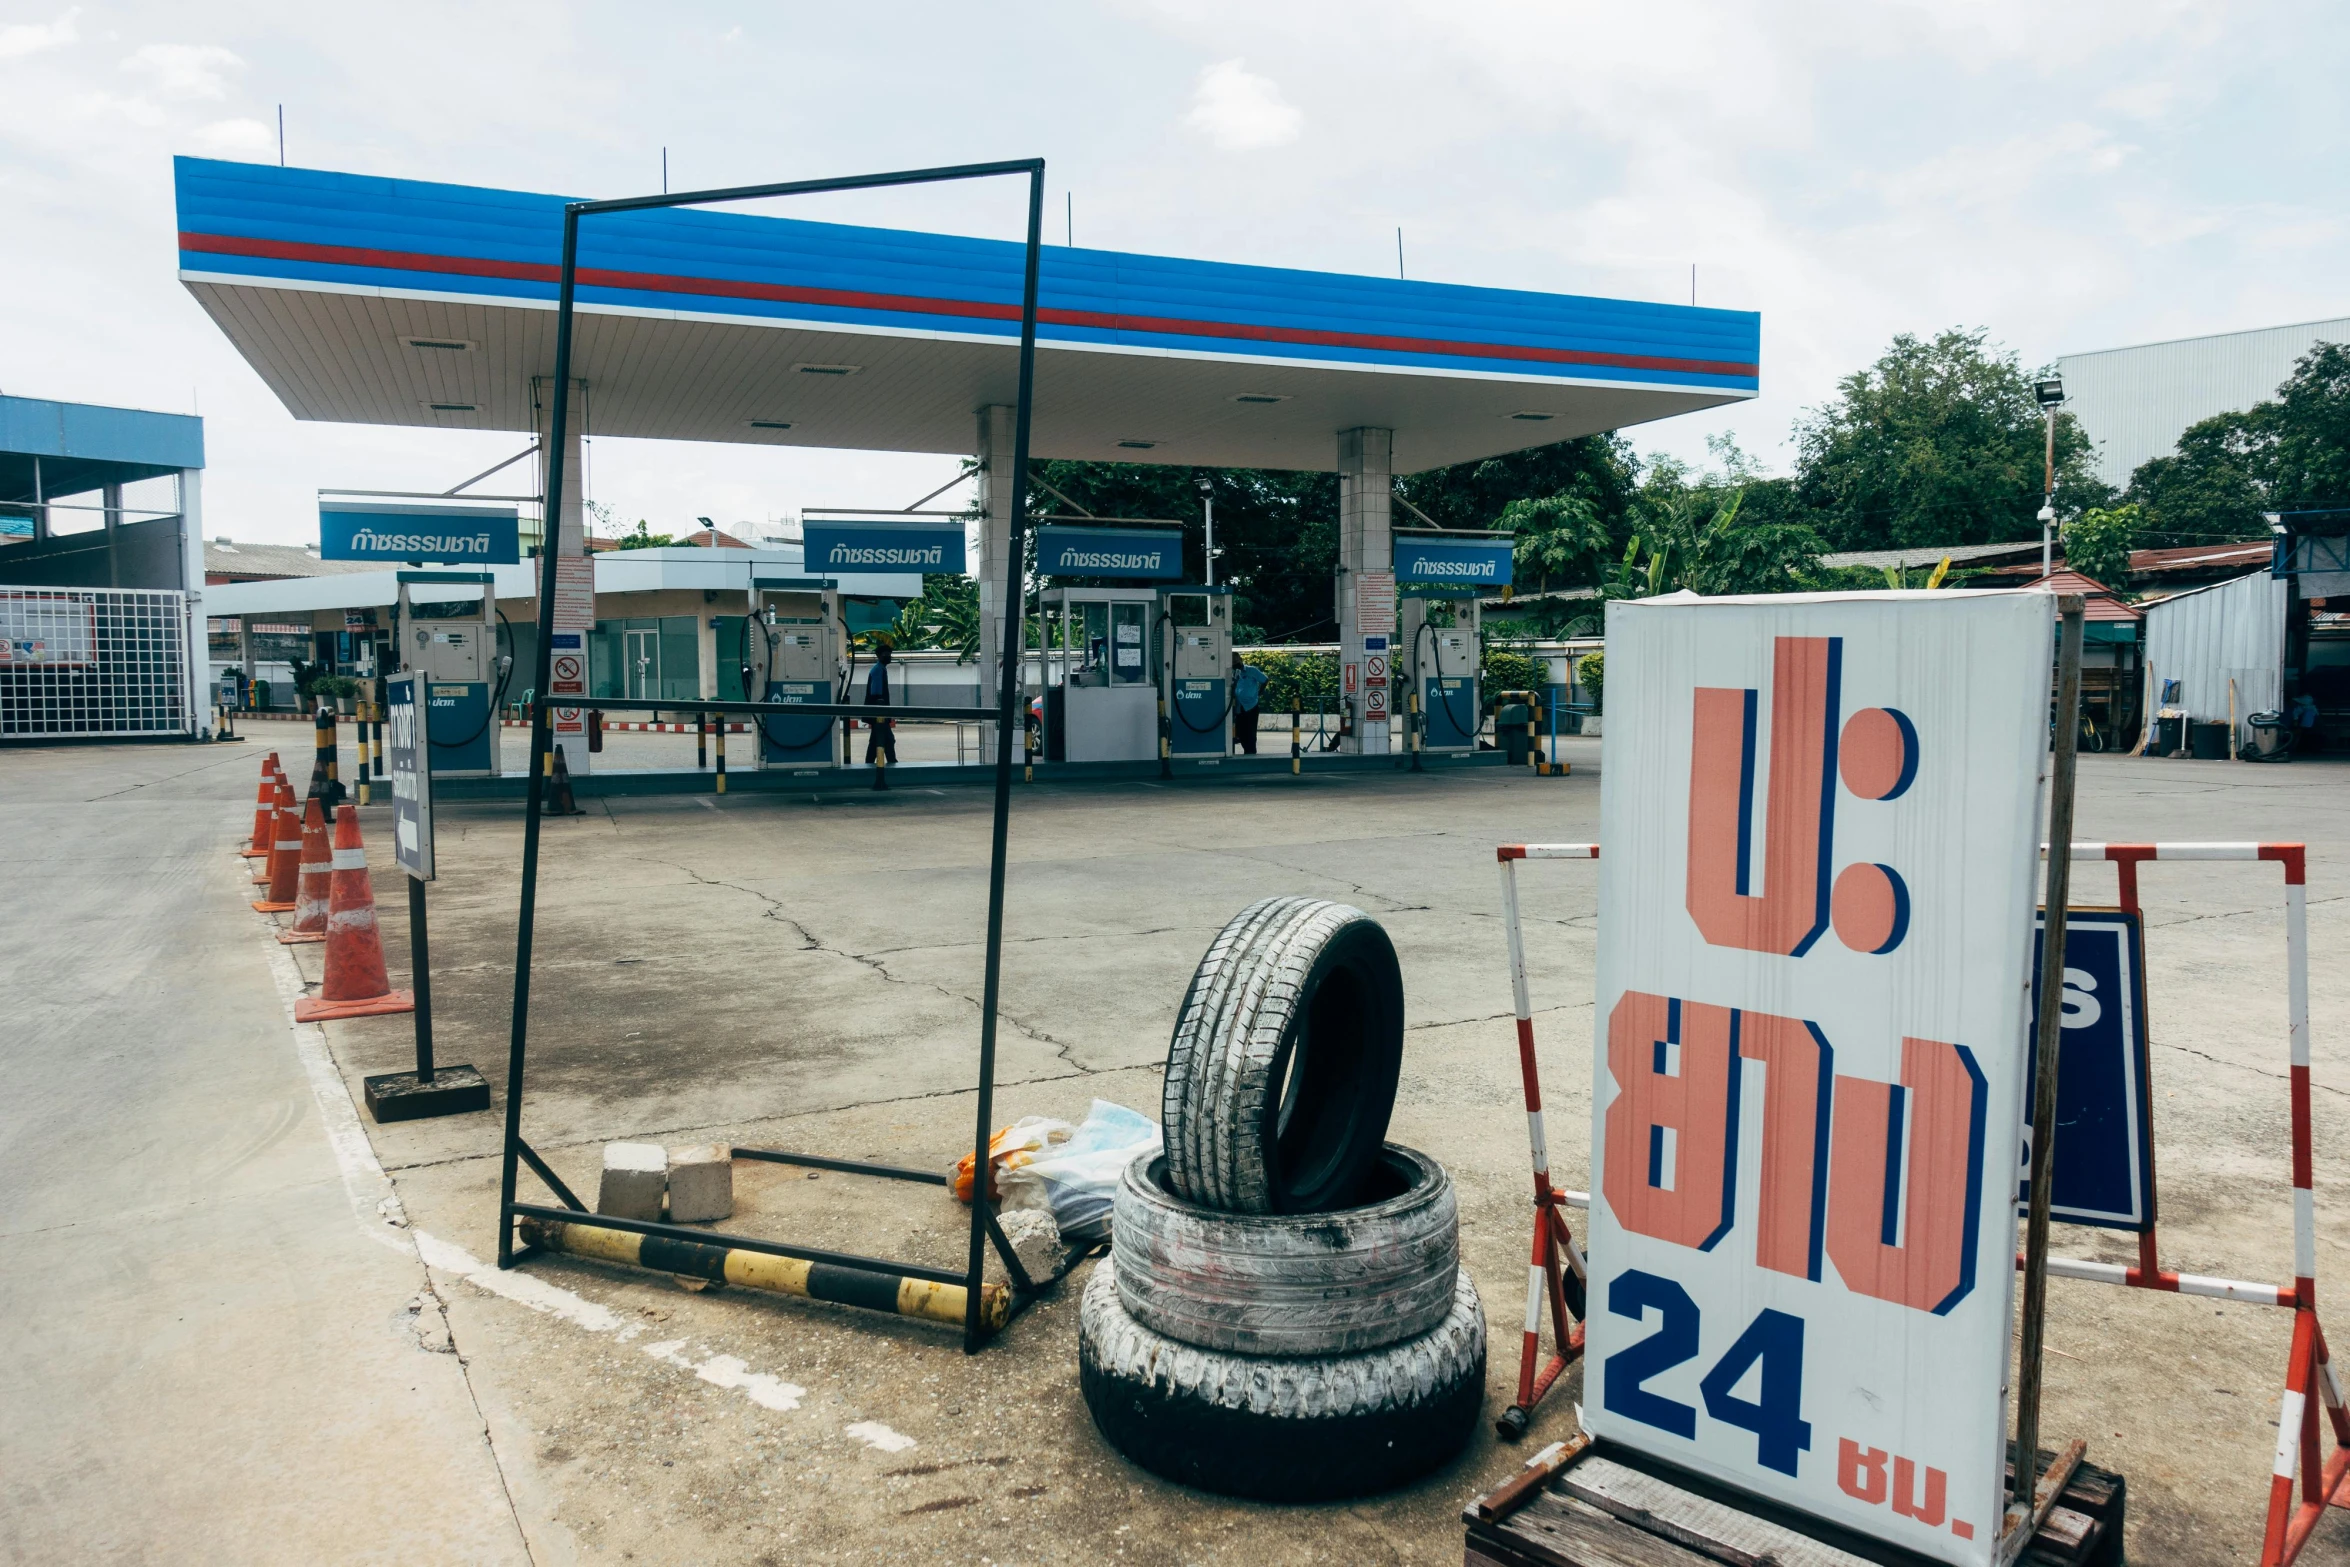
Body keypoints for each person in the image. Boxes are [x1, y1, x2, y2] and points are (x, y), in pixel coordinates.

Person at [863, 638, 898, 789]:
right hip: (879, 713)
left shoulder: (880, 669)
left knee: (875, 741)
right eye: (885, 654)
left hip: (879, 713)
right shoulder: (878, 670)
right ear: (879, 656)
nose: (888, 656)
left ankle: (868, 765)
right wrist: (882, 711)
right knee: (888, 739)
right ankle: (892, 765)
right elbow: (877, 693)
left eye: (889, 654)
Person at [1231, 651, 1268, 755]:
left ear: (1241, 660)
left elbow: (1265, 680)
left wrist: (1259, 693)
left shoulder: (1251, 670)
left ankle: (1251, 752)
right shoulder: (1233, 673)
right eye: (1233, 662)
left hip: (1251, 706)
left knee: (1250, 732)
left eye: (1236, 661)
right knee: (1241, 732)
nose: (1235, 664)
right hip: (1239, 707)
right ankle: (1246, 750)